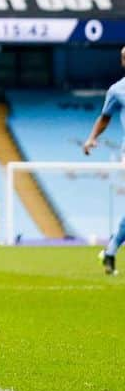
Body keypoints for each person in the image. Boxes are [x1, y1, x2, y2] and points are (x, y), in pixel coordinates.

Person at [81, 45, 125, 276]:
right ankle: (110, 251)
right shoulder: (117, 90)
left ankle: (109, 251)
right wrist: (91, 139)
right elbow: (105, 118)